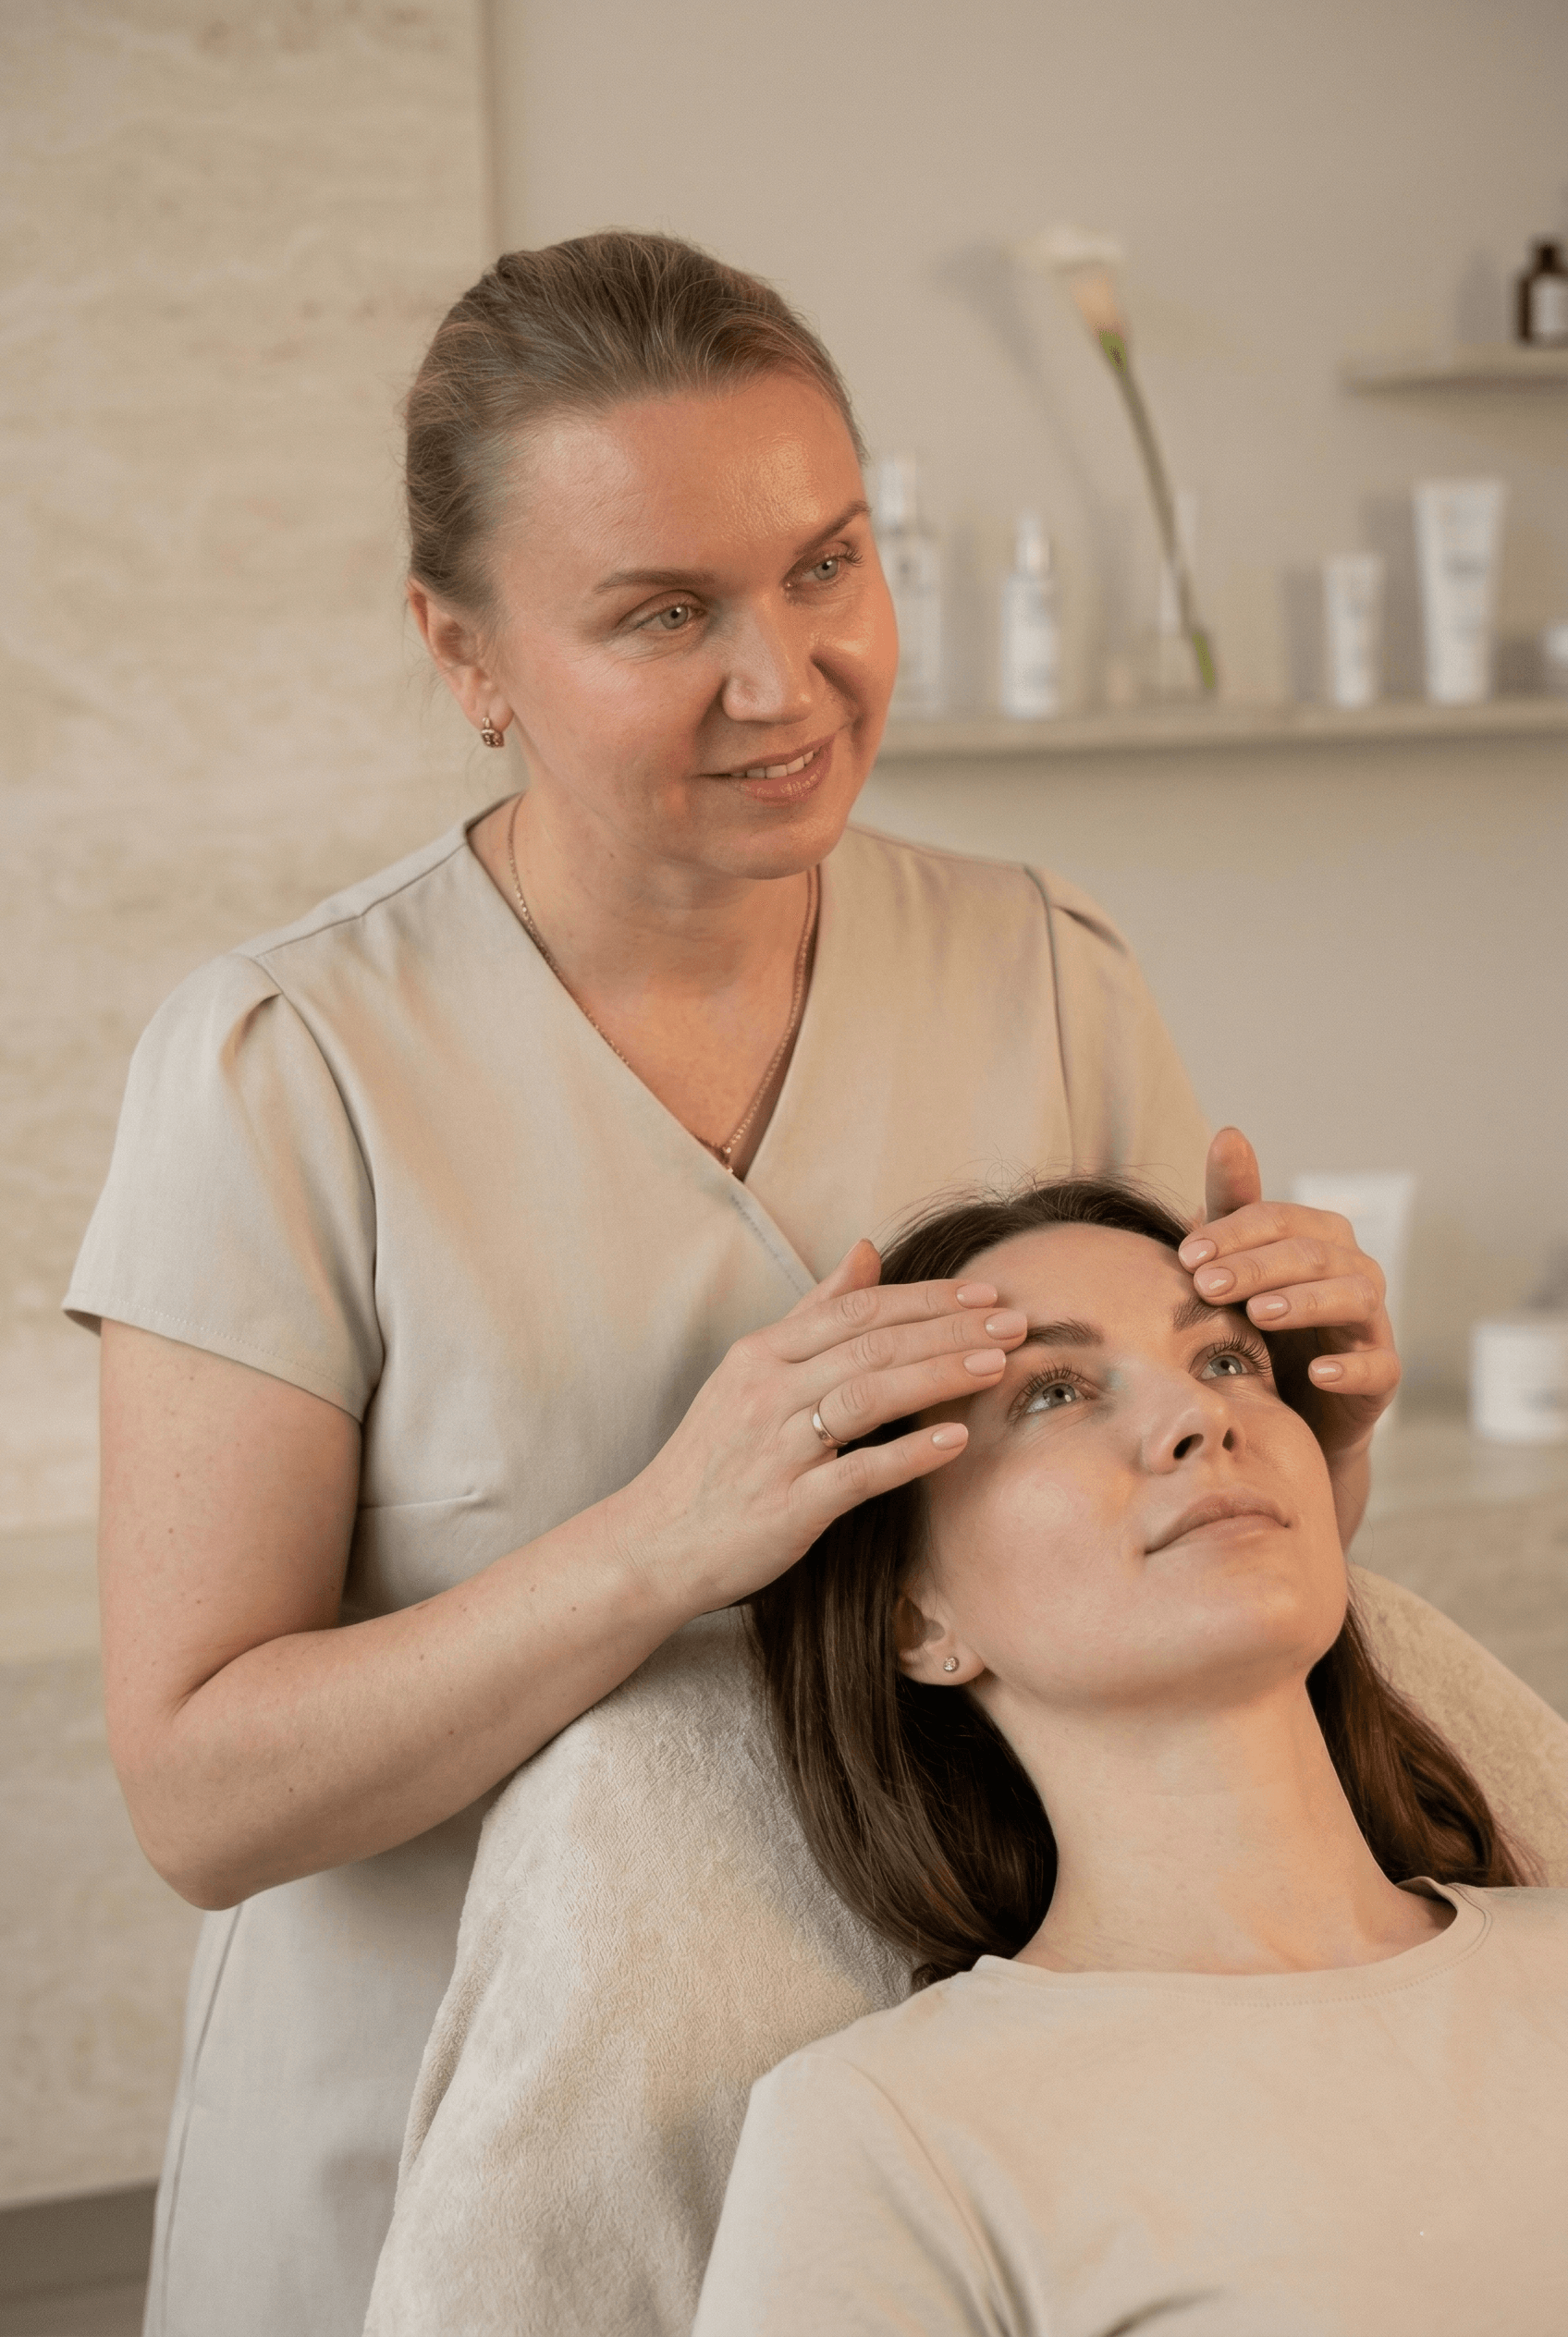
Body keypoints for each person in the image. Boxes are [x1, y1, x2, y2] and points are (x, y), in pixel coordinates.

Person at [64, 232, 1473, 2335]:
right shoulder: (292, 1069)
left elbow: (1142, 1588)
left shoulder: (1046, 976)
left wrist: (1312, 1440)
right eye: (662, 614)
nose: (784, 676)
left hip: (940, 2115)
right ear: (464, 652)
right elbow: (196, 1794)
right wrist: (658, 1545)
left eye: (828, 564)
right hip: (441, 2160)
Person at [696, 1176, 1568, 2335]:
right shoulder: (889, 2132)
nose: (1202, 1418)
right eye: (1052, 1390)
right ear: (915, 1618)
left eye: (1224, 1361)